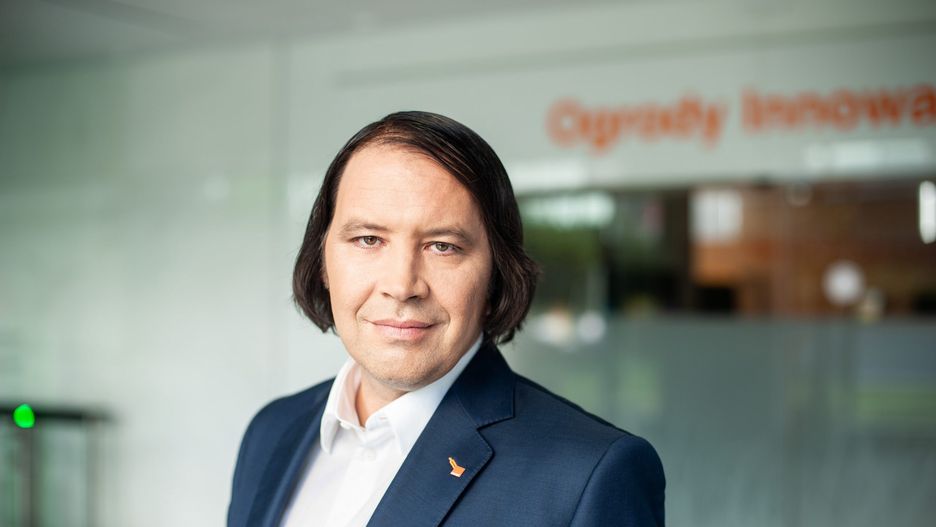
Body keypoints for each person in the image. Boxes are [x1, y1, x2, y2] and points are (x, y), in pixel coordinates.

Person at [227, 111, 665, 527]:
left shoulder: (589, 474)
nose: (402, 285)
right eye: (368, 239)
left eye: (443, 246)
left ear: (496, 275)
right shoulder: (273, 431)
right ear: (323, 261)